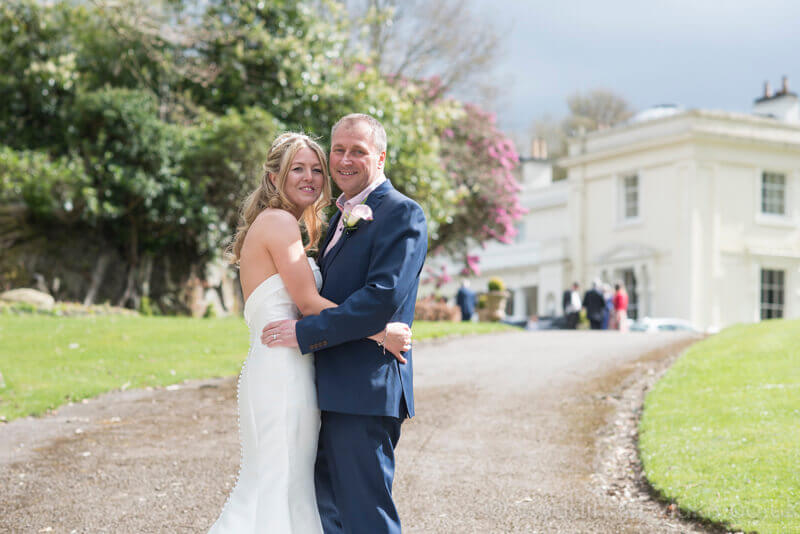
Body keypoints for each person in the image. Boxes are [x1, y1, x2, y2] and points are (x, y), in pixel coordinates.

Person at [207, 132, 411, 534]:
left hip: (286, 365)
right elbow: (308, 302)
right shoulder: (280, 222)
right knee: (277, 485)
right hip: (282, 371)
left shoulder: (288, 226)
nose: (311, 178)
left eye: (317, 169)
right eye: (297, 169)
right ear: (273, 177)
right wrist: (379, 334)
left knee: (285, 486)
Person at [261, 114, 428, 534]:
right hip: (326, 388)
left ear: (381, 157)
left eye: (358, 150)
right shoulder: (339, 217)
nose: (345, 159)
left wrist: (304, 333)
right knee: (328, 516)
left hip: (363, 392)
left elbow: (379, 299)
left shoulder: (402, 214)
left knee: (366, 516)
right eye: (339, 149)